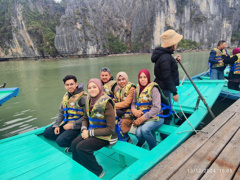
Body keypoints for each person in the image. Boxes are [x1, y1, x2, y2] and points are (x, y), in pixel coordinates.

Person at [71, 78, 118, 178]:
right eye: (89, 88)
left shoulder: (107, 103)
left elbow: (110, 129)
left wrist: (89, 133)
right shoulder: (89, 100)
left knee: (82, 147)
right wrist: (84, 129)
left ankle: (98, 171)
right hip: (91, 131)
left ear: (100, 87)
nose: (92, 89)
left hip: (105, 135)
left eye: (94, 87)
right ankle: (80, 166)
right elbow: (85, 118)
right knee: (74, 144)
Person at [151, 29, 182, 138]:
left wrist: (174, 61)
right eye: (175, 42)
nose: (176, 44)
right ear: (172, 44)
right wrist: (175, 92)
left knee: (165, 109)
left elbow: (166, 69)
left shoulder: (163, 55)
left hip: (161, 86)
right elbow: (167, 77)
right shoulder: (165, 58)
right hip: (165, 88)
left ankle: (163, 132)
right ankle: (164, 136)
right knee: (167, 112)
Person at [43, 75, 86, 152]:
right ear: (64, 86)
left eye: (71, 84)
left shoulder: (83, 98)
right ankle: (66, 135)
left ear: (76, 84)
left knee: (60, 141)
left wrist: (71, 125)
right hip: (65, 123)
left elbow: (87, 117)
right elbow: (61, 112)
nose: (70, 86)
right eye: (67, 85)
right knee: (47, 133)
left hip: (77, 125)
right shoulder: (66, 96)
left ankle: (75, 145)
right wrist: (57, 125)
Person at [131, 69, 164, 150]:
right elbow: (133, 103)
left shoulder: (154, 89)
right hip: (143, 117)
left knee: (145, 130)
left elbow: (157, 107)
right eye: (140, 77)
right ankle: (142, 142)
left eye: (145, 77)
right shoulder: (137, 89)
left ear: (148, 78)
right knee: (138, 133)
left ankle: (153, 148)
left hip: (156, 116)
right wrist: (134, 111)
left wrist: (143, 118)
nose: (142, 79)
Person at [114, 72, 136, 142]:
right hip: (120, 111)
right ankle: (124, 137)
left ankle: (127, 139)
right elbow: (115, 99)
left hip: (129, 111)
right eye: (119, 80)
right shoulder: (117, 89)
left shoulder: (131, 88)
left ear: (126, 79)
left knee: (122, 128)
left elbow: (126, 103)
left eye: (123, 79)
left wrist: (112, 105)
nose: (121, 81)